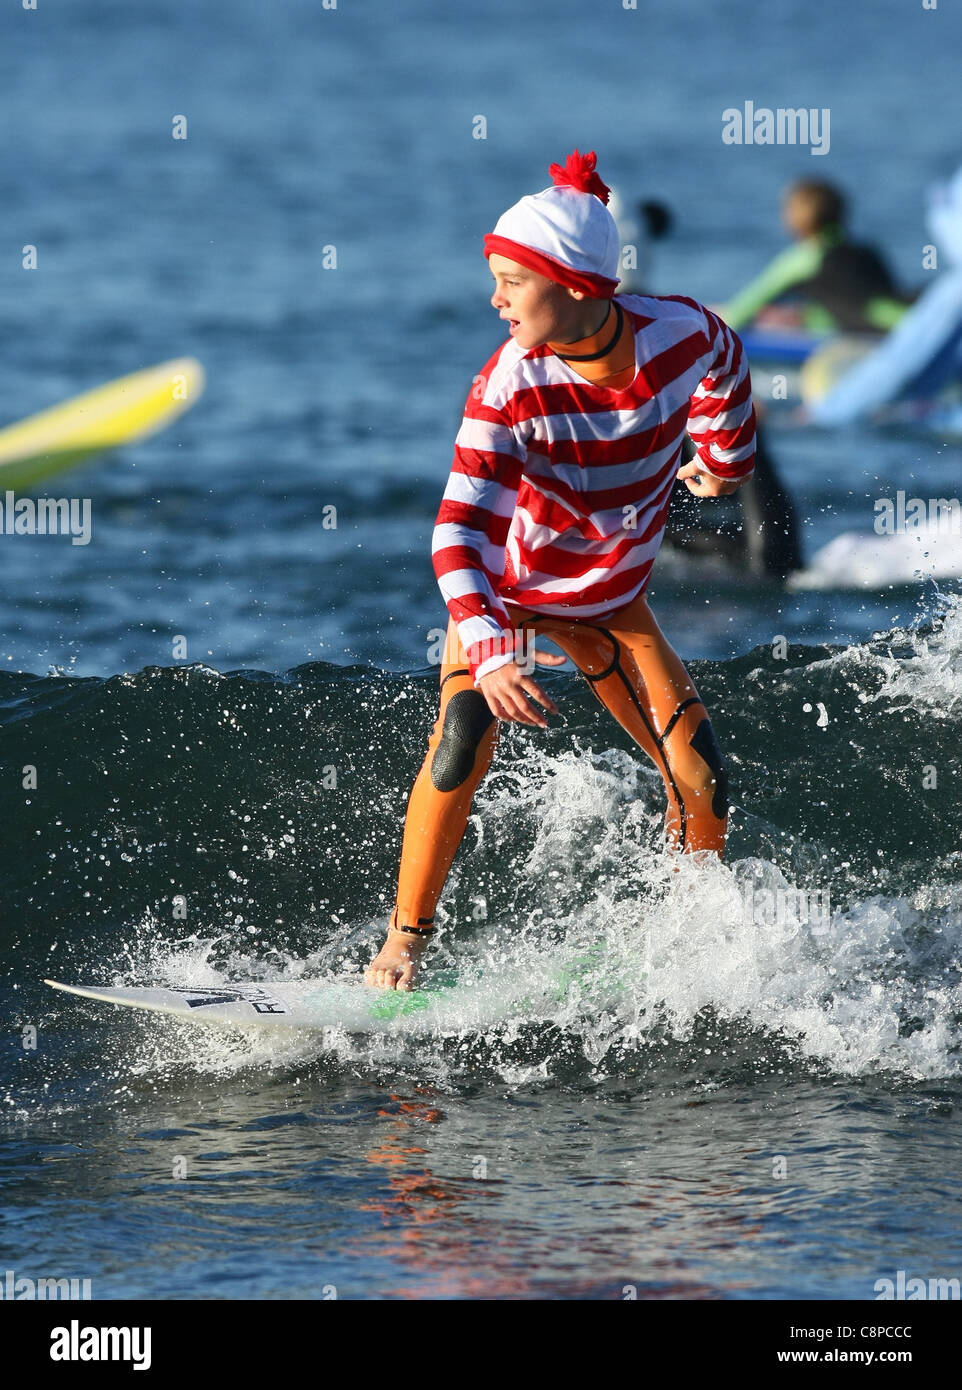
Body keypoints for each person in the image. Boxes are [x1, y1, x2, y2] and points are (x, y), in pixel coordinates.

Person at [365, 151, 757, 992]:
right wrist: (491, 647)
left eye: (511, 280)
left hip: (612, 604)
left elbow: (727, 367)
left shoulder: (682, 333)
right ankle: (403, 942)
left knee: (701, 776)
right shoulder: (509, 386)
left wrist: (724, 461)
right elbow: (459, 530)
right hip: (507, 598)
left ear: (576, 284)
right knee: (463, 736)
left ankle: (691, 941)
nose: (494, 298)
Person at [721, 179, 911, 337]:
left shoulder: (802, 261)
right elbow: (857, 303)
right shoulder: (866, 251)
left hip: (888, 333)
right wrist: (807, 318)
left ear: (793, 218)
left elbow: (739, 314)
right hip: (910, 317)